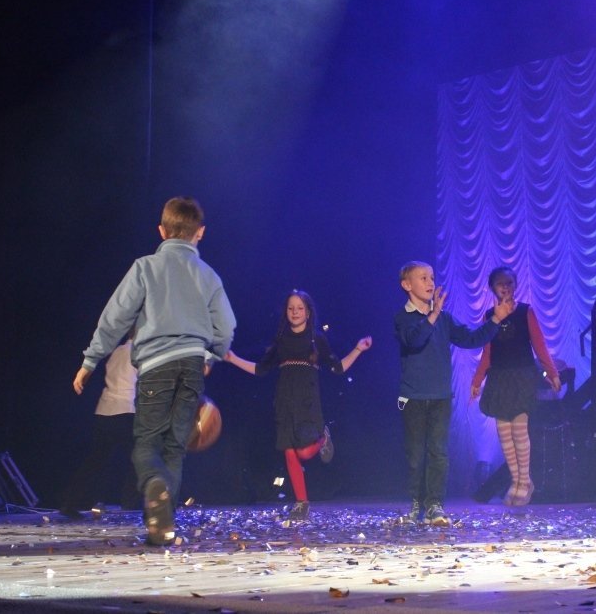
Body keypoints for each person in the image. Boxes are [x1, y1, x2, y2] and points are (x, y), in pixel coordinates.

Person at [73, 196, 236, 546]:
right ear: (200, 233)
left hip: (156, 367)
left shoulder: (145, 267)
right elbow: (226, 328)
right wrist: (210, 358)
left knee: (146, 445)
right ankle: (162, 525)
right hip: (191, 366)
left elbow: (115, 317)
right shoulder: (208, 275)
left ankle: (154, 486)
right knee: (175, 448)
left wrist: (90, 360)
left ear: (161, 231)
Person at [224, 290, 371, 521]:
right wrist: (233, 359)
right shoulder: (281, 340)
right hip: (284, 400)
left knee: (303, 451)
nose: (295, 312)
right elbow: (261, 369)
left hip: (308, 401)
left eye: (300, 308)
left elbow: (338, 368)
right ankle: (302, 503)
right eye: (291, 308)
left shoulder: (316, 340)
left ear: (308, 312)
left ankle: (322, 438)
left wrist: (358, 349)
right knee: (289, 451)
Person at [395, 261, 513, 527]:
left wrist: (495, 319)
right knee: (415, 454)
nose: (430, 283)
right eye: (423, 278)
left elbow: (471, 339)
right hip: (412, 398)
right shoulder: (403, 318)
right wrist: (433, 313)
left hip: (440, 397)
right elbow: (414, 340)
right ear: (407, 285)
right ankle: (416, 503)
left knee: (438, 452)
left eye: (432, 277)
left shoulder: (444, 319)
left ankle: (434, 504)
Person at [469, 266, 561, 507]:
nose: (505, 287)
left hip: (521, 376)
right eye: (500, 283)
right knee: (504, 433)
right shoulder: (490, 316)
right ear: (492, 287)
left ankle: (524, 480)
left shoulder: (525, 312)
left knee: (519, 430)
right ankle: (516, 479)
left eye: (509, 282)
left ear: (516, 284)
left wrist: (552, 373)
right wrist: (477, 381)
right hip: (499, 378)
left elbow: (539, 345)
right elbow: (487, 353)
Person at [62, 336, 140, 516]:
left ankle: (70, 501)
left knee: (95, 461)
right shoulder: (140, 352)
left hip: (105, 410)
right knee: (141, 458)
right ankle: (131, 502)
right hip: (127, 409)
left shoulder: (116, 351)